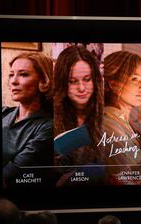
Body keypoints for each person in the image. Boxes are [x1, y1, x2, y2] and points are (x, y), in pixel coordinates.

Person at [101, 50, 141, 185]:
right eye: (134, 79)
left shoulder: (125, 124)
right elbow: (130, 183)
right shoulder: (108, 126)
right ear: (113, 83)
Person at [53, 45, 104, 185]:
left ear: (95, 81)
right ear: (62, 83)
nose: (82, 88)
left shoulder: (106, 117)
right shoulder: (50, 119)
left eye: (87, 79)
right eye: (72, 81)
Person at [2, 52, 54, 187]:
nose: (14, 81)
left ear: (43, 80)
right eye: (11, 74)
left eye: (23, 74)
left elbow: (11, 175)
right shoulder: (3, 113)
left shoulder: (48, 126)